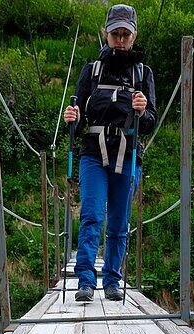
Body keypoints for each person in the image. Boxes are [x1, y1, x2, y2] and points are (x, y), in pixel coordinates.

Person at [63, 4, 157, 302]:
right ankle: (86, 281)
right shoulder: (91, 71)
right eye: (114, 33)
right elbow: (76, 123)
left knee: (119, 221)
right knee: (91, 216)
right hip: (93, 153)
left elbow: (151, 123)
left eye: (125, 34)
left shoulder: (144, 74)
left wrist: (144, 111)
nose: (119, 39)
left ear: (133, 36)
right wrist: (72, 119)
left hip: (128, 156)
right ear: (106, 34)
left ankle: (113, 280)